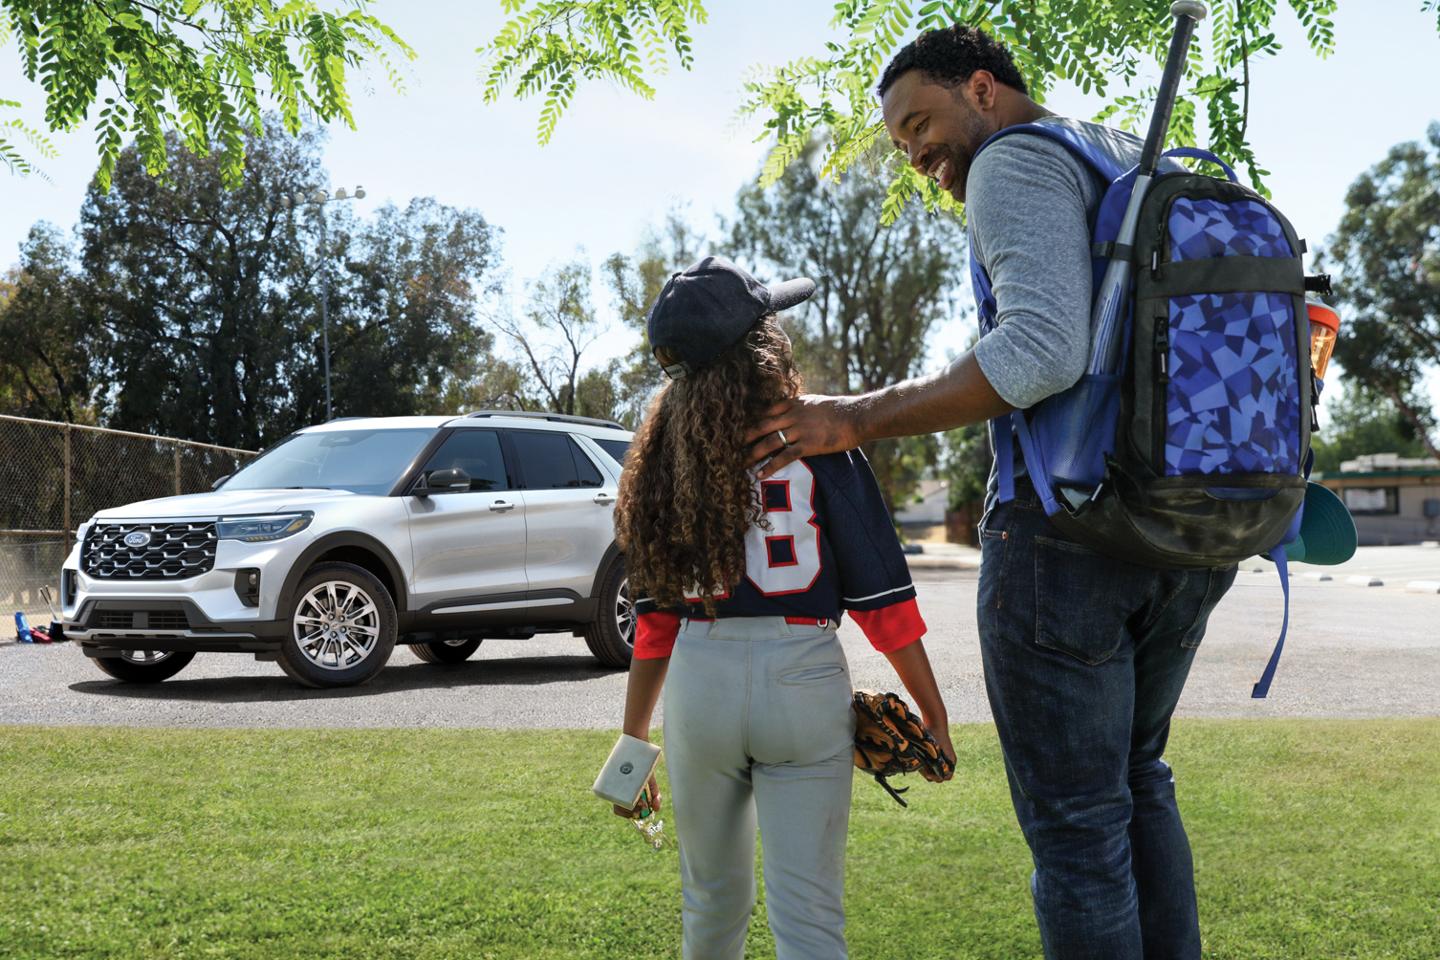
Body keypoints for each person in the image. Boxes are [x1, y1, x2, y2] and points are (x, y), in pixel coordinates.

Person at [746, 24, 1238, 960]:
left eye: (921, 123)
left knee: (1079, 829)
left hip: (1067, 538)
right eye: (899, 144)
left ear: (982, 88)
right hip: (1188, 528)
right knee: (1139, 781)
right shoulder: (1126, 154)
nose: (917, 154)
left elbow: (1041, 351)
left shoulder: (1015, 162)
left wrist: (852, 417)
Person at [612, 255, 954, 960]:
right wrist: (934, 711)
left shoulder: (663, 455)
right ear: (761, 345)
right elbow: (883, 603)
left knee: (710, 909)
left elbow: (655, 623)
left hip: (701, 682)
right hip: (802, 675)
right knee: (809, 920)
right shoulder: (820, 433)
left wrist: (633, 744)